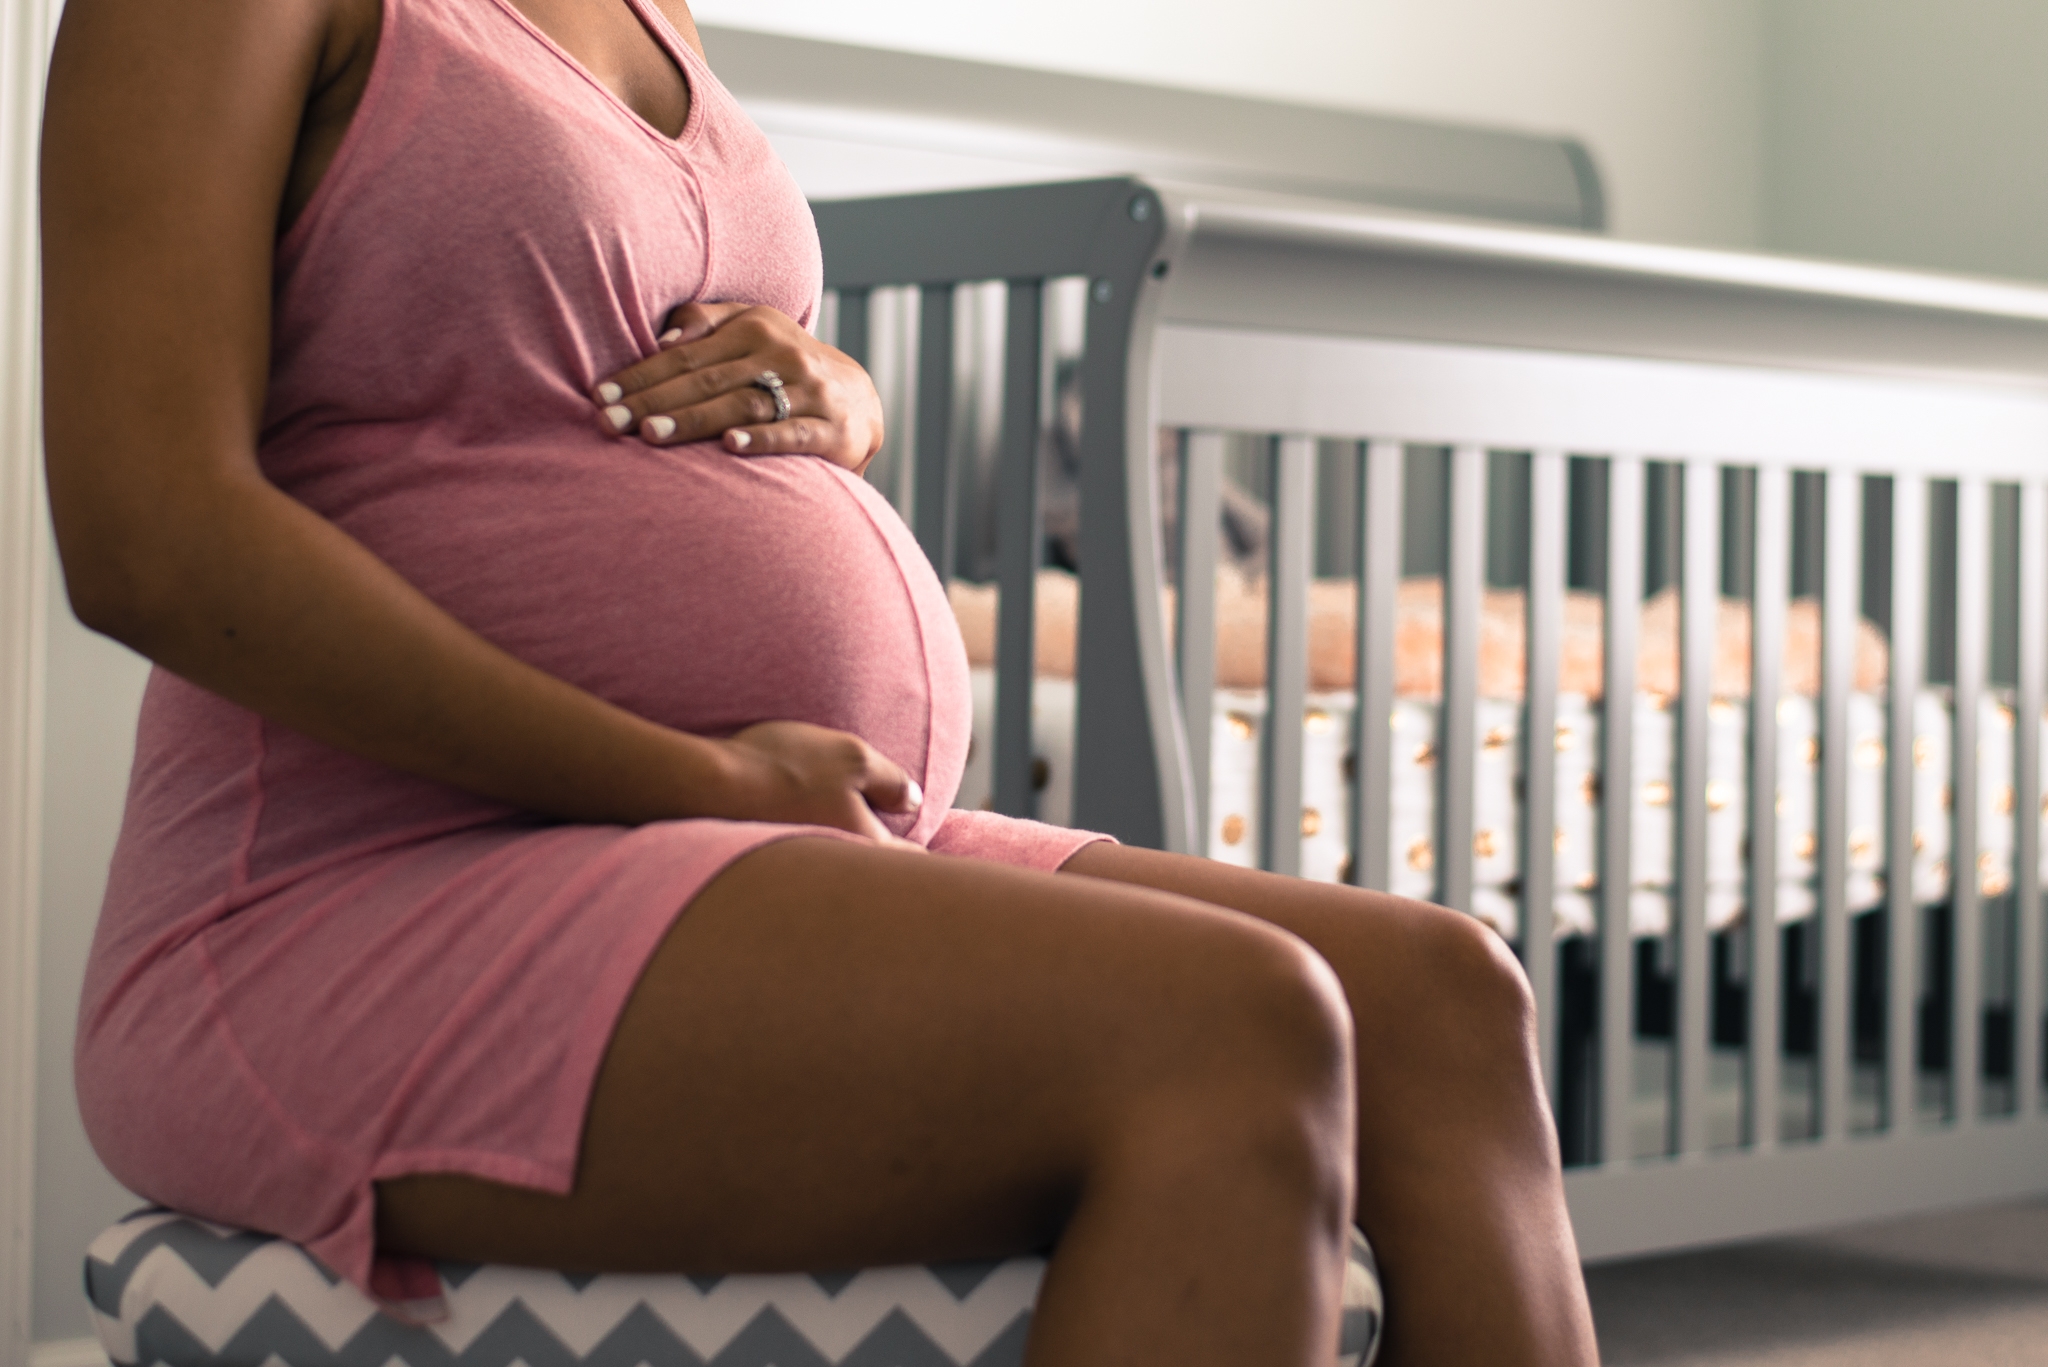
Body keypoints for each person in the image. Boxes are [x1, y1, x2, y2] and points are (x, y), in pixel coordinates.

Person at [39, 0, 1598, 1360]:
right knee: (1231, 1029)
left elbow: (576, 378)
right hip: (358, 885)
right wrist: (698, 776)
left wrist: (839, 392)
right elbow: (146, 538)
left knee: (1441, 1001)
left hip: (744, 840)